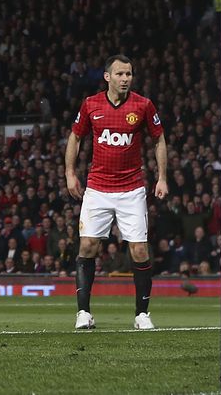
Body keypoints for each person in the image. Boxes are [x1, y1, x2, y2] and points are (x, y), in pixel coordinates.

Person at [65, 54, 168, 330]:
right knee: (88, 245)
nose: (125, 79)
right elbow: (76, 136)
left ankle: (142, 314)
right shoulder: (91, 104)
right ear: (107, 77)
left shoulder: (143, 105)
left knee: (139, 250)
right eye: (120, 74)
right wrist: (70, 173)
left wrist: (162, 178)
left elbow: (159, 139)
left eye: (129, 74)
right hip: (97, 188)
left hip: (131, 189)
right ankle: (83, 313)